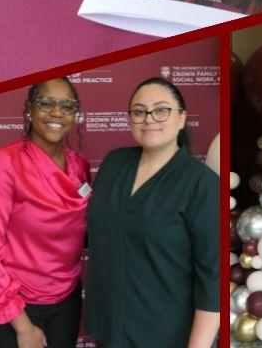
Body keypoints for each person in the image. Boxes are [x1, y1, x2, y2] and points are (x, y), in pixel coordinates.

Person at [85, 77, 219, 348]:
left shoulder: (201, 184)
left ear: (181, 118)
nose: (149, 119)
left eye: (161, 110)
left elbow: (213, 280)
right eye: (139, 111)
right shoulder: (114, 163)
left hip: (166, 338)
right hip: (108, 333)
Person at [0, 77, 91, 348]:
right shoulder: (4, 164)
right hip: (13, 306)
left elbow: (81, 233)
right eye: (46, 103)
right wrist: (23, 327)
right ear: (29, 109)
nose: (57, 112)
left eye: (67, 106)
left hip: (65, 303)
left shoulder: (80, 165)